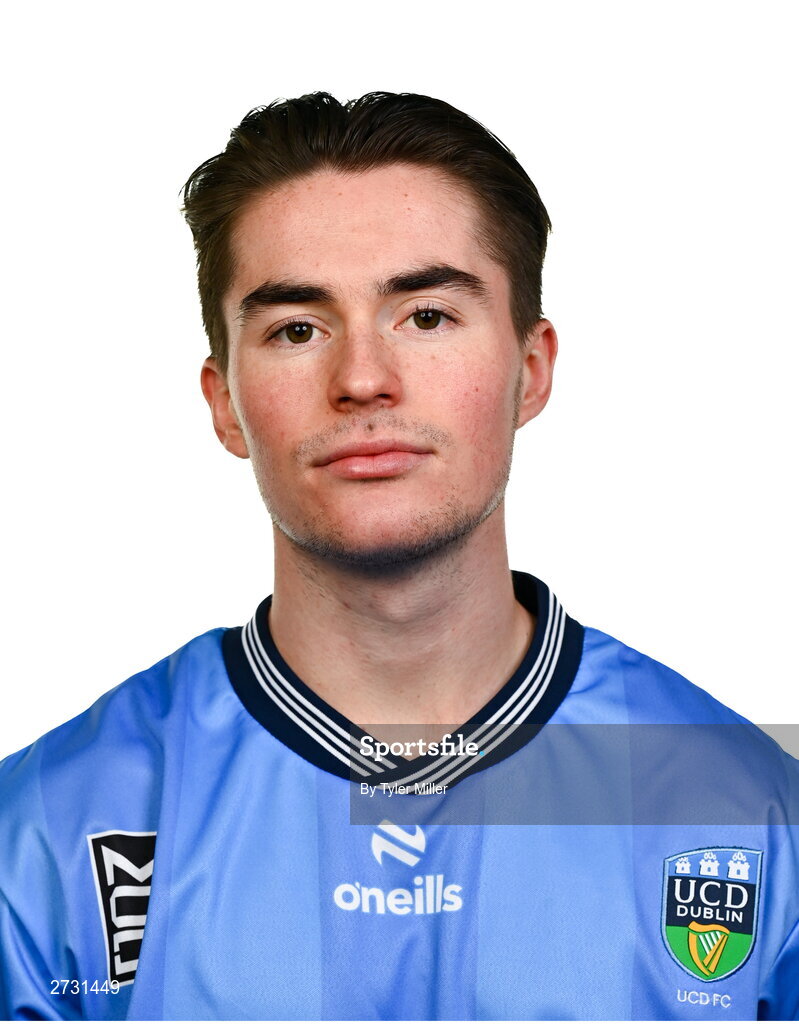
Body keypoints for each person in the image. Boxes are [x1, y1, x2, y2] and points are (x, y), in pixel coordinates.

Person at [0, 91, 797, 1022]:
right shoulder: (48, 833)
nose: (363, 379)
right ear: (224, 402)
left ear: (529, 369)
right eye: (297, 328)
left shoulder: (746, 812)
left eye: (424, 315)